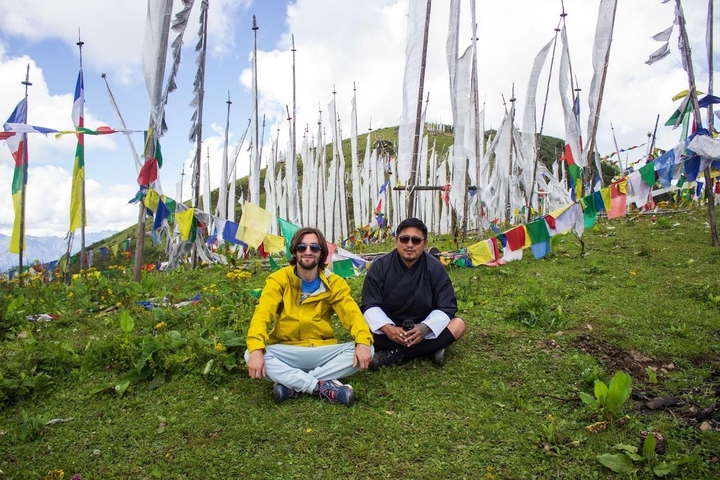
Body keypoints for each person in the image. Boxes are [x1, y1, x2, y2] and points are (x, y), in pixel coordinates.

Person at [244, 227, 374, 406]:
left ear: (321, 253)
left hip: (321, 349)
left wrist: (362, 341)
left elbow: (352, 314)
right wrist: (257, 349)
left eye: (314, 247)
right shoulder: (279, 279)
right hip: (287, 349)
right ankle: (321, 386)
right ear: (294, 251)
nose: (308, 252)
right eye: (301, 247)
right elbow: (262, 315)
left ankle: (292, 384)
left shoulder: (334, 283)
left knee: (368, 348)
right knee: (249, 353)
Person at [361, 217, 466, 369]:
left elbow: (447, 306)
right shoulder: (379, 266)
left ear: (425, 243)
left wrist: (425, 328)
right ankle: (431, 349)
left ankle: (392, 356)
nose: (410, 245)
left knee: (458, 325)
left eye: (416, 240)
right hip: (388, 331)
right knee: (362, 325)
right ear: (396, 240)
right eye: (405, 239)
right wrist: (388, 329)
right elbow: (369, 304)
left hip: (421, 331)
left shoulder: (435, 268)